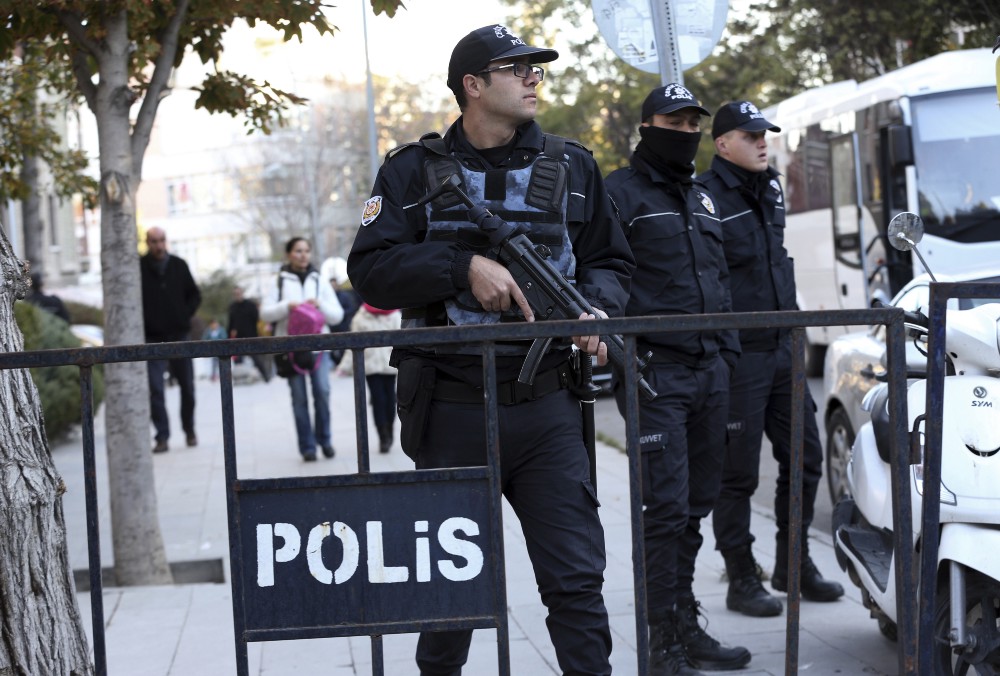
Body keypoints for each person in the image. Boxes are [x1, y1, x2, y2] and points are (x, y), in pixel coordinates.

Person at [347, 23, 634, 676]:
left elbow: (612, 263)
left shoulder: (574, 165)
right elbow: (371, 271)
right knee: (450, 600)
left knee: (576, 584)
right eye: (517, 68)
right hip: (451, 410)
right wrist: (460, 267)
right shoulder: (410, 170)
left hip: (548, 409)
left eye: (536, 67)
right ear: (473, 87)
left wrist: (595, 309)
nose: (534, 77)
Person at [604, 84, 750, 675]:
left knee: (695, 505)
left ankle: (684, 624)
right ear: (648, 125)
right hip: (654, 375)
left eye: (694, 122)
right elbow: (603, 277)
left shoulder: (703, 197)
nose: (686, 130)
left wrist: (729, 356)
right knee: (663, 511)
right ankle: (660, 642)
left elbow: (721, 280)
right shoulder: (618, 194)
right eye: (674, 120)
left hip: (710, 371)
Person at [697, 101, 844, 618]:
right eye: (750, 134)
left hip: (785, 347)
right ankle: (742, 577)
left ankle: (794, 563)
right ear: (721, 144)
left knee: (805, 461)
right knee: (736, 476)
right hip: (739, 357)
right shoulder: (706, 198)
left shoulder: (772, 189)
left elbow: (776, 262)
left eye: (765, 133)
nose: (763, 141)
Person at [260, 237, 344, 462]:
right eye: (298, 251)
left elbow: (337, 315)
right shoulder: (278, 281)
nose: (303, 255)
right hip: (290, 349)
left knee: (323, 393)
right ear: (289, 254)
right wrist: (286, 306)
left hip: (319, 348)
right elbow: (265, 313)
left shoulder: (320, 280)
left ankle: (324, 440)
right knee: (299, 399)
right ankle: (307, 447)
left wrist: (320, 305)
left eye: (306, 250)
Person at [140, 227, 201, 454]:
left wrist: (184, 315)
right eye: (154, 241)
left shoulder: (178, 265)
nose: (158, 245)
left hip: (179, 335)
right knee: (156, 388)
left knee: (187, 386)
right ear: (147, 242)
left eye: (162, 240)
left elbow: (195, 294)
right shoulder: (140, 267)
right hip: (152, 338)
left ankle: (190, 430)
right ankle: (162, 436)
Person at [338, 302, 401, 453]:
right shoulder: (360, 317)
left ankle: (389, 429)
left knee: (390, 400)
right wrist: (344, 366)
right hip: (370, 367)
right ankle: (383, 435)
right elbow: (351, 344)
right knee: (378, 399)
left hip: (389, 365)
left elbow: (402, 341)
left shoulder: (394, 315)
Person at [228, 286, 271, 382]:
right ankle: (239, 379)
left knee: (256, 359)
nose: (237, 295)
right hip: (238, 338)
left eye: (238, 293)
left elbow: (257, 319)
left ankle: (266, 376)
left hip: (251, 337)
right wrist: (230, 335)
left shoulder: (250, 305)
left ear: (242, 293)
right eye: (235, 294)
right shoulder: (232, 307)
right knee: (238, 360)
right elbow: (231, 323)